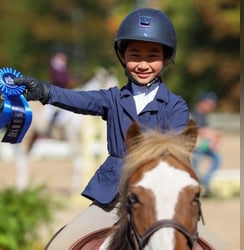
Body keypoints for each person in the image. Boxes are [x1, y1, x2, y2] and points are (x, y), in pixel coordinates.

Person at [14, 8, 227, 250]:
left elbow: (176, 149)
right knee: (60, 244)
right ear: (122, 57)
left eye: (152, 56)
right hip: (112, 198)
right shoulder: (111, 98)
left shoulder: (176, 105)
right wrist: (44, 91)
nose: (143, 64)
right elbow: (78, 100)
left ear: (166, 59)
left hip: (163, 200)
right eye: (135, 55)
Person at [191, 92, 222, 198]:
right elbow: (199, 130)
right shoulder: (194, 114)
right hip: (195, 147)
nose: (210, 107)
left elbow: (208, 129)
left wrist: (214, 135)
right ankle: (200, 185)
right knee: (196, 165)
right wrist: (212, 135)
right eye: (208, 104)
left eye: (212, 105)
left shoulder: (203, 115)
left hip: (202, 146)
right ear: (202, 103)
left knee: (217, 159)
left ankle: (205, 182)